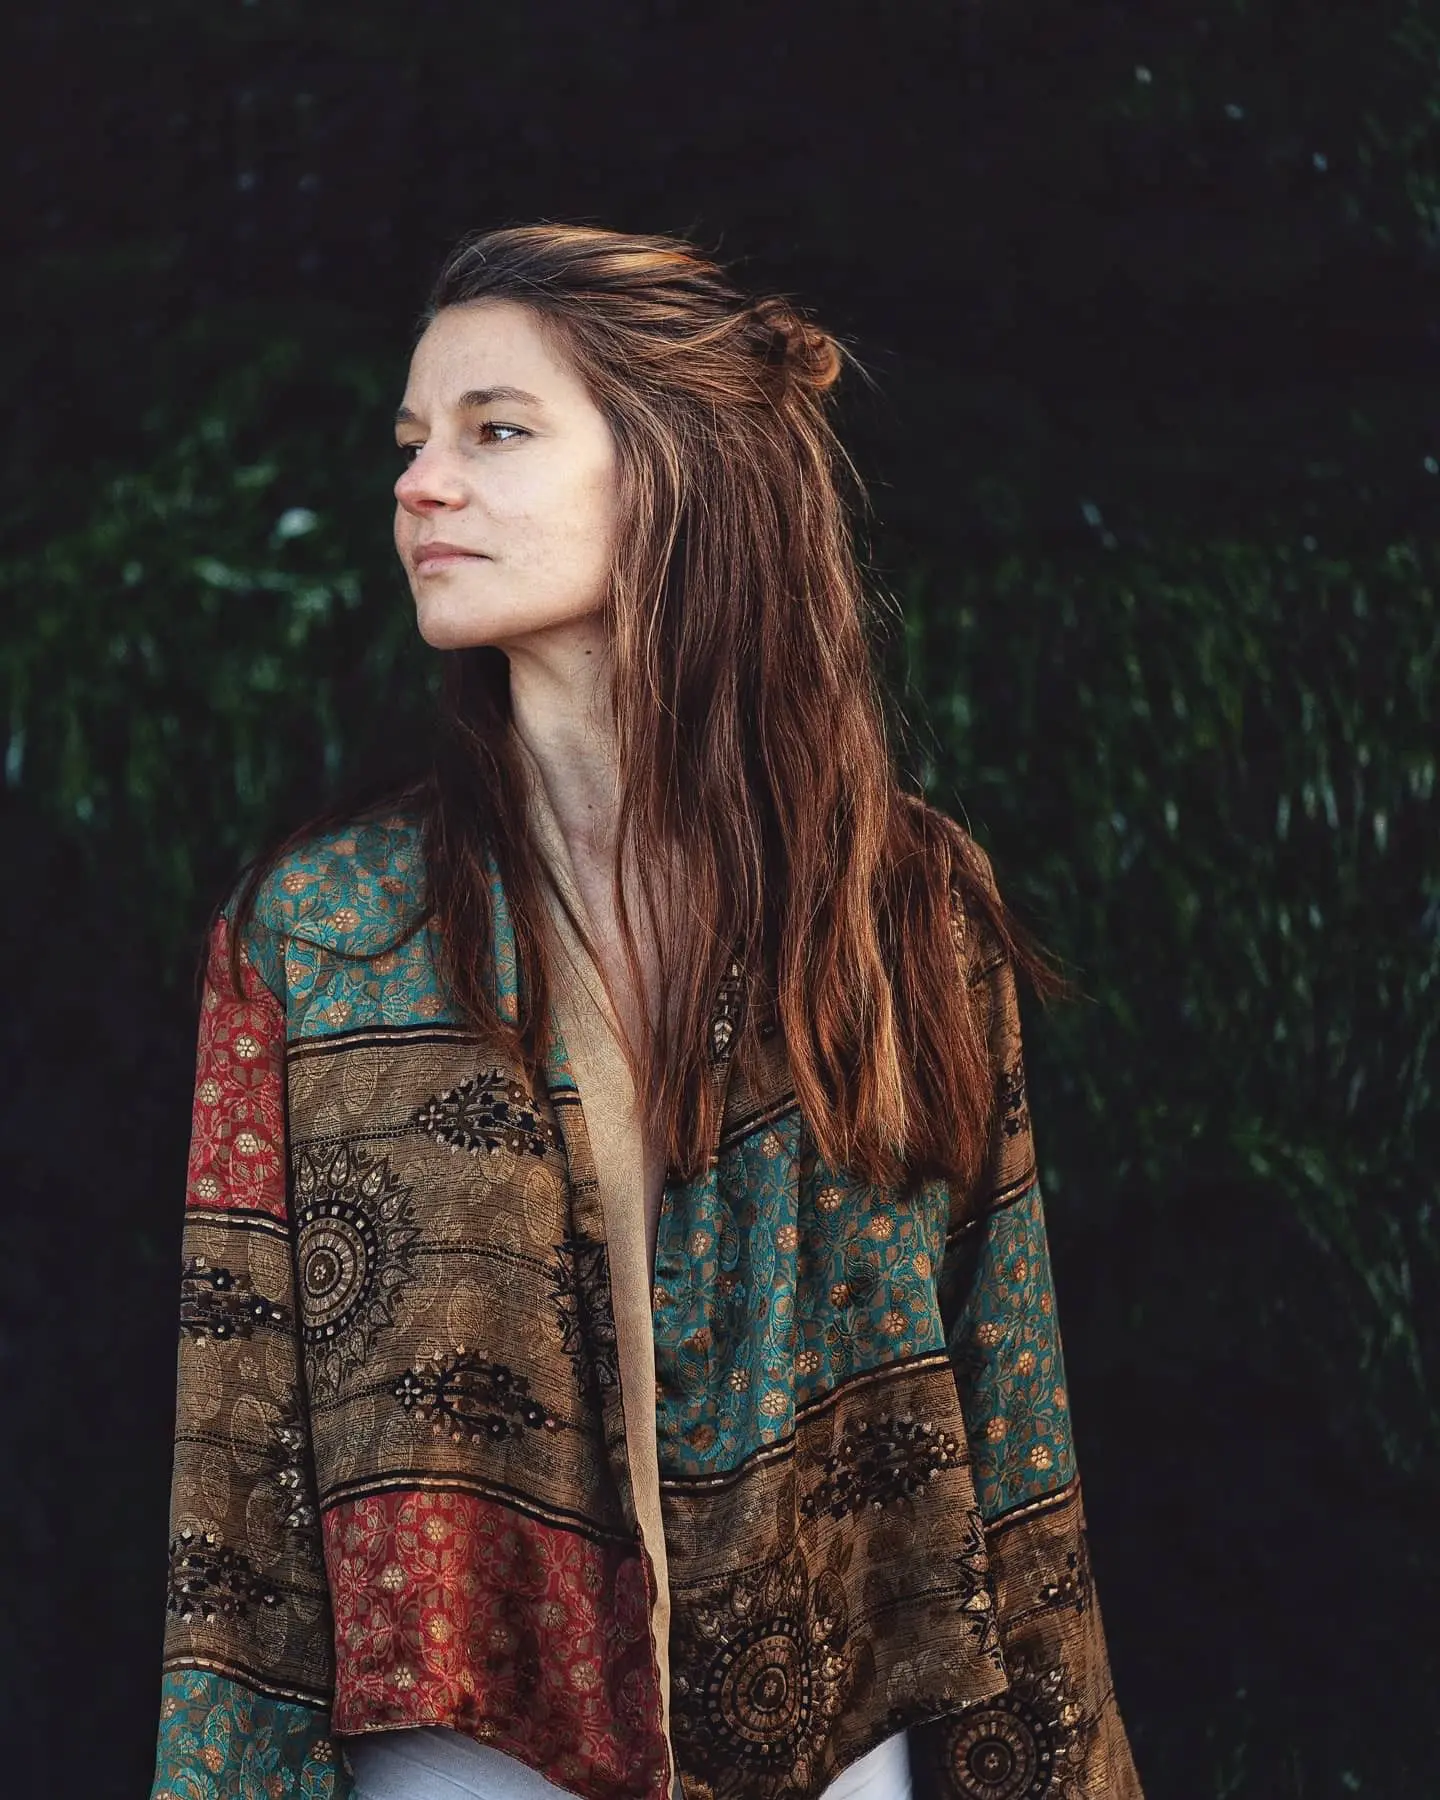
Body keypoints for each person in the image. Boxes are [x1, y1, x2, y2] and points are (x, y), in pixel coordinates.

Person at [148, 222, 1143, 1800]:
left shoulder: (899, 912)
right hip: (465, 1768)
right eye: (411, 442)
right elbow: (238, 1490)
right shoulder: (321, 937)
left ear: (675, 472)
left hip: (834, 1758)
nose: (420, 485)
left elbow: (1011, 1412)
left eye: (495, 430)